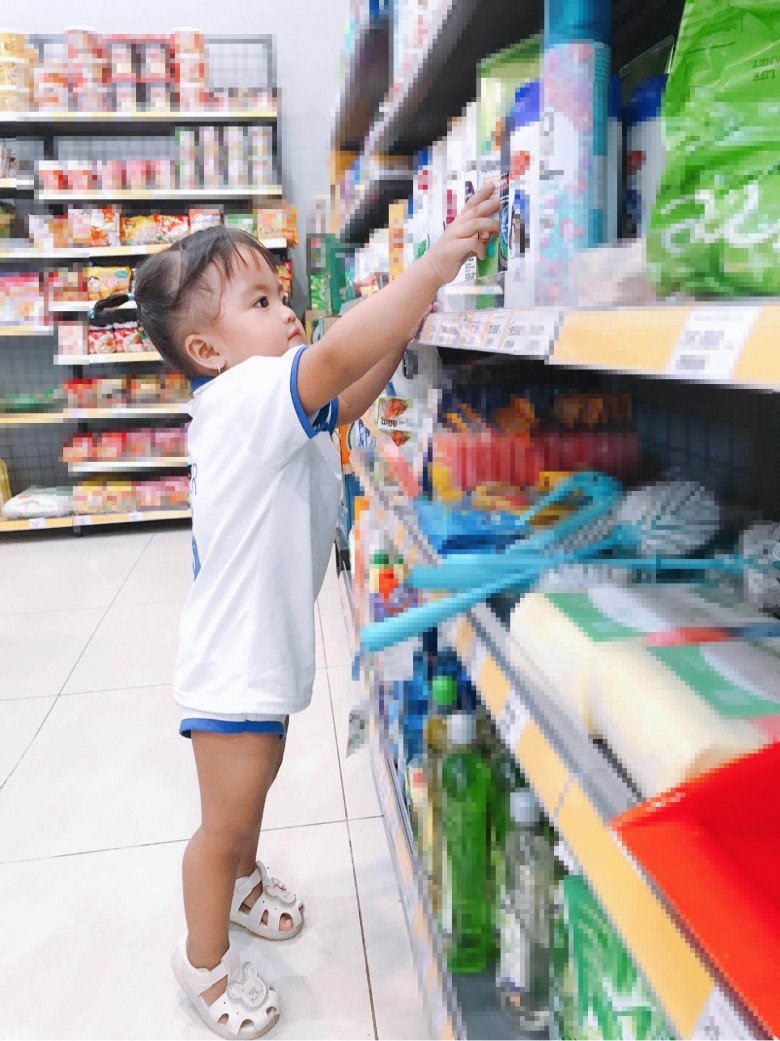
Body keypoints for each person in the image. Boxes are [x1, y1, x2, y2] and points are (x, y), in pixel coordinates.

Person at [91, 182, 499, 1039]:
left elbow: (344, 395)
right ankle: (201, 963)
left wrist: (404, 330)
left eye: (284, 294)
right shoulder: (244, 401)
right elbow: (335, 360)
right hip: (233, 663)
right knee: (225, 818)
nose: (289, 312)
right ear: (207, 348)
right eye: (263, 301)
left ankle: (242, 883)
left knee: (257, 786)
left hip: (256, 655)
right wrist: (434, 263)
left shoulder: (270, 406)